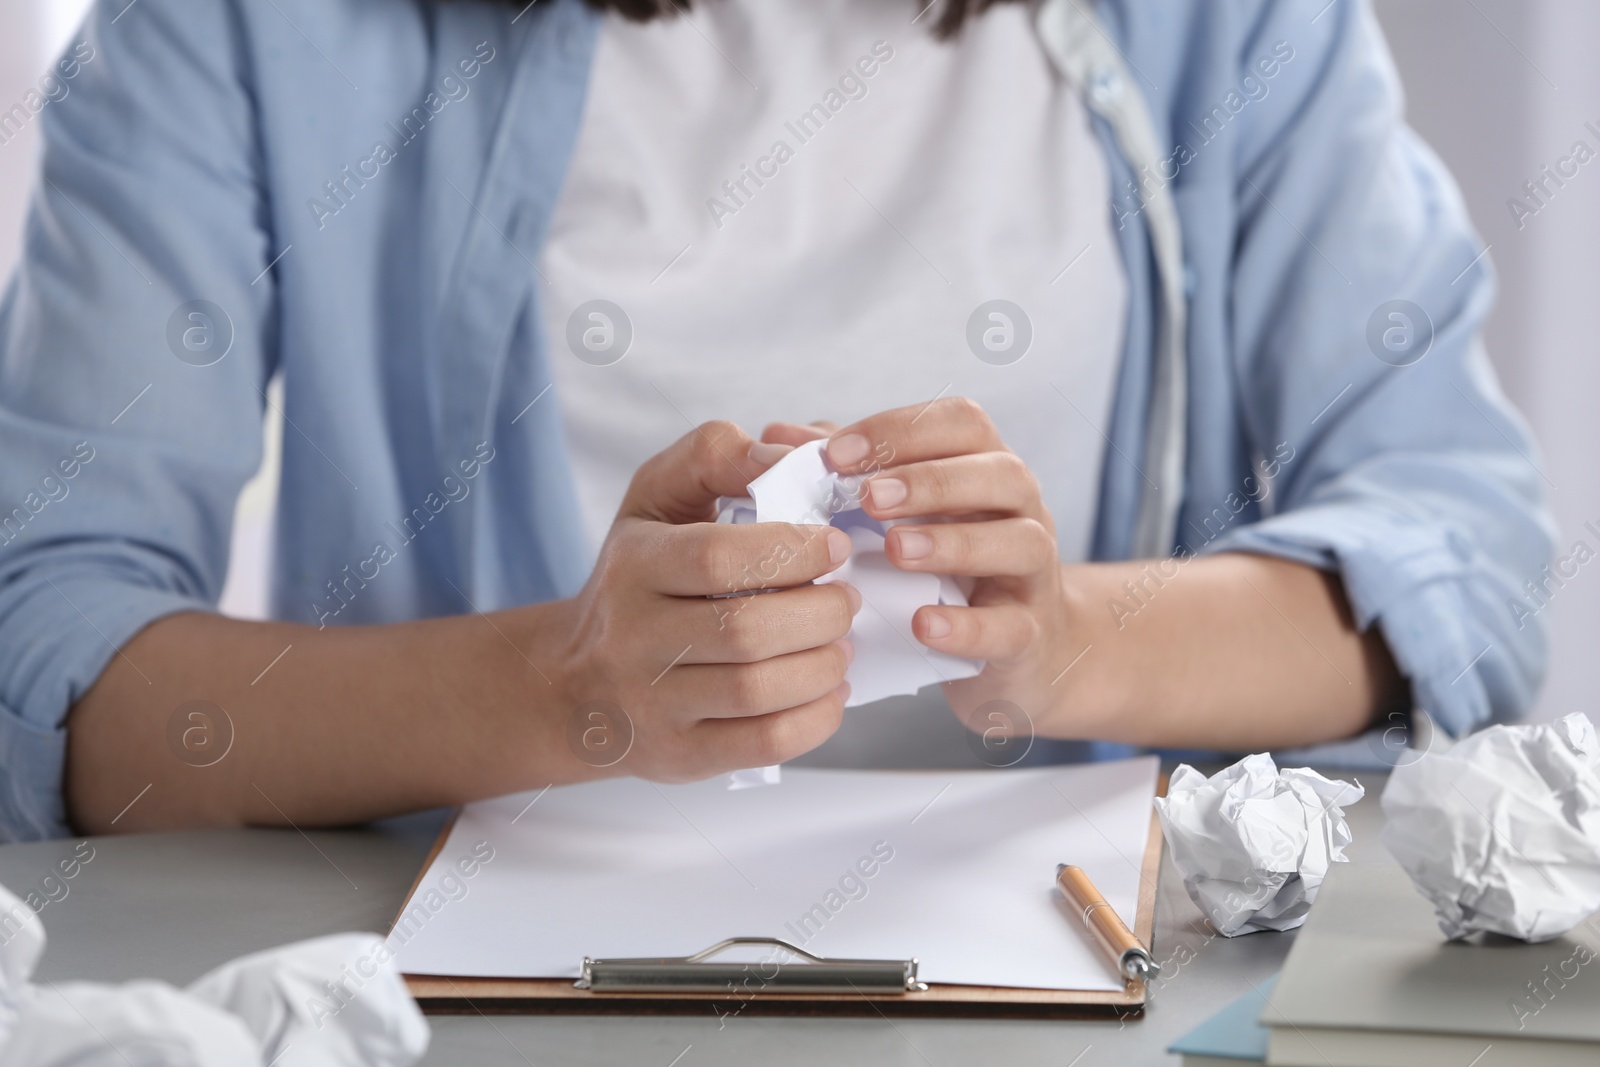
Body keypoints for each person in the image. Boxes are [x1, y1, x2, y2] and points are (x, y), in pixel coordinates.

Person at [0, 0, 1551, 841]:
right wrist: (564, 688)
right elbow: (47, 654)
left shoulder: (1221, 27)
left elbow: (1456, 556)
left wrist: (1068, 640)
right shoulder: (235, 30)